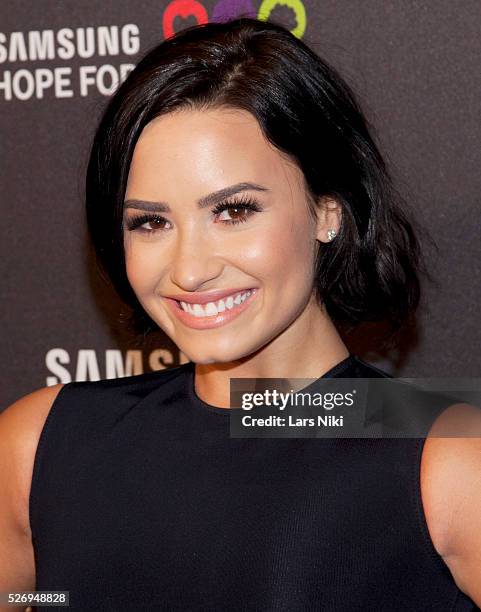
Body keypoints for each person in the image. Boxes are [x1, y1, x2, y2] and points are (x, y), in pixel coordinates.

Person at [1, 16, 480, 612]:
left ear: (326, 209)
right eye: (151, 222)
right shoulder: (39, 445)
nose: (189, 268)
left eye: (232, 211)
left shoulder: (449, 460)